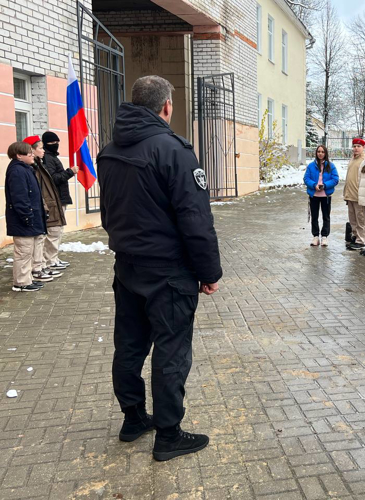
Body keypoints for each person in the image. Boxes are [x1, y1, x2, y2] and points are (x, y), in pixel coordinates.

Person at [97, 75, 222, 461]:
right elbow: (195, 218)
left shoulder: (110, 150)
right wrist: (209, 272)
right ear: (166, 106)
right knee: (171, 350)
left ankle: (133, 418)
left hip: (128, 266)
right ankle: (168, 434)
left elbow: (109, 211)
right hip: (168, 272)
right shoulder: (173, 151)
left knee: (130, 345)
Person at [5, 142, 47, 292]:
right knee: (23, 252)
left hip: (30, 218)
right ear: (18, 155)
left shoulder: (25, 169)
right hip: (22, 220)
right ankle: (21, 283)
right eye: (29, 153)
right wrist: (27, 217)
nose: (32, 155)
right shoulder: (17, 171)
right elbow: (20, 198)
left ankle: (26, 278)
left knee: (28, 251)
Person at [23, 136, 65, 283]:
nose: (43, 151)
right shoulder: (29, 168)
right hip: (39, 207)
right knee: (39, 240)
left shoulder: (38, 164)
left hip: (44, 205)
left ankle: (41, 266)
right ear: (31, 150)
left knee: (42, 238)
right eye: (40, 148)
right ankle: (37, 268)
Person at [42, 131, 77, 270]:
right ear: (45, 144)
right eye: (52, 143)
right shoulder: (48, 158)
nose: (55, 145)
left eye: (57, 142)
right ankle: (50, 260)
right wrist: (70, 172)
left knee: (58, 231)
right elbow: (54, 178)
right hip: (54, 200)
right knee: (54, 231)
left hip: (59, 199)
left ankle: (54, 258)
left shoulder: (52, 157)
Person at [304, 145, 339, 247]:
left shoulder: (331, 166)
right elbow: (306, 178)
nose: (320, 153)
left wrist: (325, 185)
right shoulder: (311, 166)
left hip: (326, 195)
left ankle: (324, 236)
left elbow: (335, 179)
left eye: (322, 152)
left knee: (326, 216)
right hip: (314, 195)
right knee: (314, 217)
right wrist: (314, 185)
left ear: (325, 153)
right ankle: (315, 236)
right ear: (316, 153)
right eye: (318, 151)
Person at [344, 138, 365, 250]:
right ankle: (355, 236)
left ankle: (361, 240)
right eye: (354, 146)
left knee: (360, 219)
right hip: (350, 194)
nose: (356, 148)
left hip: (359, 195)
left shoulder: (364, 160)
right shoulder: (352, 159)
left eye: (359, 146)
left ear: (363, 148)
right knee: (352, 218)